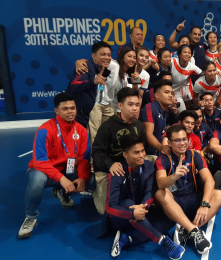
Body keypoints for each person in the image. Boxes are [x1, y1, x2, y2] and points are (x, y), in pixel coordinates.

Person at [18, 93, 94, 238]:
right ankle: (31, 217)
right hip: (43, 170)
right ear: (56, 111)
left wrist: (83, 177)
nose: (70, 111)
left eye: (73, 108)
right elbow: (40, 160)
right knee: (37, 181)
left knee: (91, 180)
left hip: (67, 169)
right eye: (65, 109)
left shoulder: (82, 130)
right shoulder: (45, 130)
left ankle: (63, 193)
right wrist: (61, 179)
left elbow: (84, 158)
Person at [103, 134, 184, 259]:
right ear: (125, 155)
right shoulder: (117, 171)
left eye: (142, 151)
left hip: (142, 211)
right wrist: (131, 213)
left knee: (170, 219)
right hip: (121, 217)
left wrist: (144, 206)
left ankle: (128, 240)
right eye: (136, 152)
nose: (141, 155)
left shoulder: (149, 166)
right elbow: (109, 207)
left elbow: (149, 192)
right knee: (128, 202)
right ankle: (163, 241)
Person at [155, 125, 221, 253]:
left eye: (184, 139)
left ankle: (189, 229)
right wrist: (174, 176)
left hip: (192, 198)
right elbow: (160, 183)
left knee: (220, 195)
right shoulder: (163, 159)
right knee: (161, 193)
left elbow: (209, 180)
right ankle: (194, 231)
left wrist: (204, 204)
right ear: (169, 143)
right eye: (177, 140)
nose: (182, 143)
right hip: (174, 202)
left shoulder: (195, 155)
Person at [92, 88, 145, 214]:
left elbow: (143, 150)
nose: (135, 108)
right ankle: (96, 190)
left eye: (137, 105)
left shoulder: (139, 125)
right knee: (104, 211)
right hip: (111, 170)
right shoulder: (107, 127)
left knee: (153, 160)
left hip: (131, 167)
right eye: (130, 104)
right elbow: (97, 153)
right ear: (120, 105)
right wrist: (110, 164)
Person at [67, 41, 112, 129]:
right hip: (80, 117)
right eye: (103, 54)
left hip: (94, 114)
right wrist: (92, 82)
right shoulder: (85, 67)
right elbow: (73, 86)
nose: (107, 57)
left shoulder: (104, 68)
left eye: (109, 55)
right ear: (94, 56)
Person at [140, 80, 175, 155]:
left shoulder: (163, 110)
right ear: (157, 95)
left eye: (172, 93)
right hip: (147, 156)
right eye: (166, 92)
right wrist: (161, 148)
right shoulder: (150, 108)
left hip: (156, 153)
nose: (171, 95)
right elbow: (148, 134)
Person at [171, 45, 202, 112]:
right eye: (185, 52)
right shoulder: (172, 61)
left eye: (189, 53)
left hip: (176, 94)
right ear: (179, 54)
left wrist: (215, 72)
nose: (187, 54)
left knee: (183, 113)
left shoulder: (192, 67)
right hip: (164, 92)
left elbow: (203, 74)